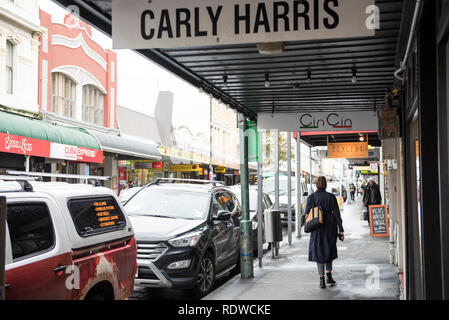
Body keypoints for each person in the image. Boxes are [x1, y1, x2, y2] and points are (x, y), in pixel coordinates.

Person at [305, 176, 344, 289]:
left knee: (319, 252)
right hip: (330, 227)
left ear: (316, 185)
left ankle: (322, 280)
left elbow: (307, 213)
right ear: (325, 185)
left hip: (317, 228)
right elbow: (337, 214)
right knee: (329, 251)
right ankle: (329, 277)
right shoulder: (331, 197)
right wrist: (341, 229)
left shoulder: (311, 197)